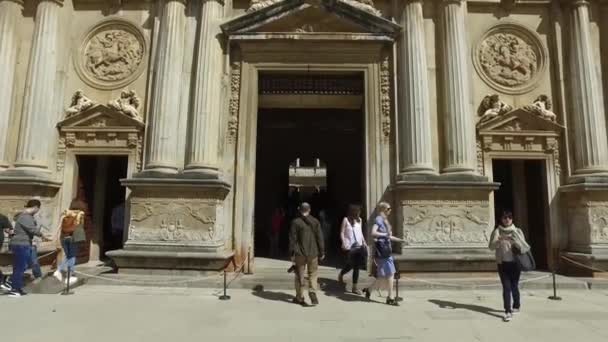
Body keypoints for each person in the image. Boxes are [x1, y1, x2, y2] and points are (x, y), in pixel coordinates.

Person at [488, 210, 531, 322]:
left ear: (512, 219)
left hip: (515, 264)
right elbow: (491, 247)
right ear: (501, 219)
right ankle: (508, 311)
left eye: (509, 217)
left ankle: (516, 305)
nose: (507, 219)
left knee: (514, 286)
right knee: (506, 287)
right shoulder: (497, 231)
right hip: (502, 264)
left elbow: (525, 247)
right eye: (505, 217)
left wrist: (514, 242)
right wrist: (498, 241)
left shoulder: (517, 231)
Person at [363, 201, 404, 305]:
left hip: (386, 250)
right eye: (389, 209)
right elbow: (373, 232)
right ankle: (390, 297)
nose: (390, 210)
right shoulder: (379, 219)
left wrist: (400, 240)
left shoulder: (385, 220)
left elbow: (388, 236)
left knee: (383, 276)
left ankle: (369, 290)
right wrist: (385, 234)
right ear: (384, 209)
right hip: (382, 251)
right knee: (390, 273)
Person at [7, 199, 48, 297]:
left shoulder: (25, 216)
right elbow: (32, 229)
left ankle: (14, 285)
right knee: (20, 267)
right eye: (38, 209)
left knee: (21, 266)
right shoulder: (26, 217)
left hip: (22, 244)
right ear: (36, 207)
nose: (38, 211)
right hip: (21, 244)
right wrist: (42, 235)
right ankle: (15, 289)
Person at [289, 202, 324, 306]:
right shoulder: (315, 221)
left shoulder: (295, 222)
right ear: (309, 210)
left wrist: (291, 253)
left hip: (300, 253)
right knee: (313, 274)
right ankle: (312, 293)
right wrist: (322, 251)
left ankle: (299, 297)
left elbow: (292, 240)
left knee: (299, 275)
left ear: (300, 210)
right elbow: (320, 238)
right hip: (313, 253)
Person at [53, 199, 86, 285]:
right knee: (72, 256)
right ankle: (67, 274)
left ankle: (66, 272)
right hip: (73, 237)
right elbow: (80, 226)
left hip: (64, 237)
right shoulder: (80, 213)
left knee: (68, 256)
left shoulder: (65, 213)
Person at [338, 204, 367, 294]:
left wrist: (364, 242)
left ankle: (354, 287)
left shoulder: (360, 220)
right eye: (358, 211)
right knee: (350, 264)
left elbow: (360, 232)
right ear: (354, 212)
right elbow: (342, 232)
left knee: (356, 267)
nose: (360, 213)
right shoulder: (346, 220)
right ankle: (342, 273)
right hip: (349, 246)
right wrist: (343, 241)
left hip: (359, 245)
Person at [0, 212, 13, 290]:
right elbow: (9, 231)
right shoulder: (2, 217)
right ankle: (2, 279)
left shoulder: (2, 217)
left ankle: (2, 280)